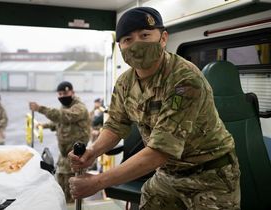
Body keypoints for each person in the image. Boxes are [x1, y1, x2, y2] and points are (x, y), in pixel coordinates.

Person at [68, 7, 240, 210]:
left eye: (145, 35)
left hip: (210, 176)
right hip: (167, 175)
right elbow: (116, 124)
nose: (136, 44)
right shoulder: (125, 82)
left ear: (163, 38)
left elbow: (159, 151)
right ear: (121, 47)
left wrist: (98, 182)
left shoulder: (184, 81)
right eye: (127, 39)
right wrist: (93, 151)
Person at [29, 81, 90, 203]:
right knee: (60, 192)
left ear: (72, 92)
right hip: (63, 158)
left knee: (73, 196)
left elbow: (63, 116)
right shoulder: (65, 107)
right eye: (60, 94)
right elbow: (60, 122)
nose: (62, 96)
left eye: (65, 93)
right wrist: (44, 125)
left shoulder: (79, 108)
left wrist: (40, 108)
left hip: (75, 158)